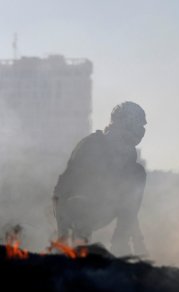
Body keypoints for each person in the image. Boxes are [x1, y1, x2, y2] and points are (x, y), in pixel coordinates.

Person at [53, 101, 148, 256]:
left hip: (103, 208)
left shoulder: (129, 157)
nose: (140, 132)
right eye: (136, 126)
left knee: (137, 173)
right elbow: (63, 191)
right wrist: (63, 235)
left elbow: (130, 204)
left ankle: (119, 245)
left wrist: (137, 240)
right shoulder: (91, 145)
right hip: (74, 210)